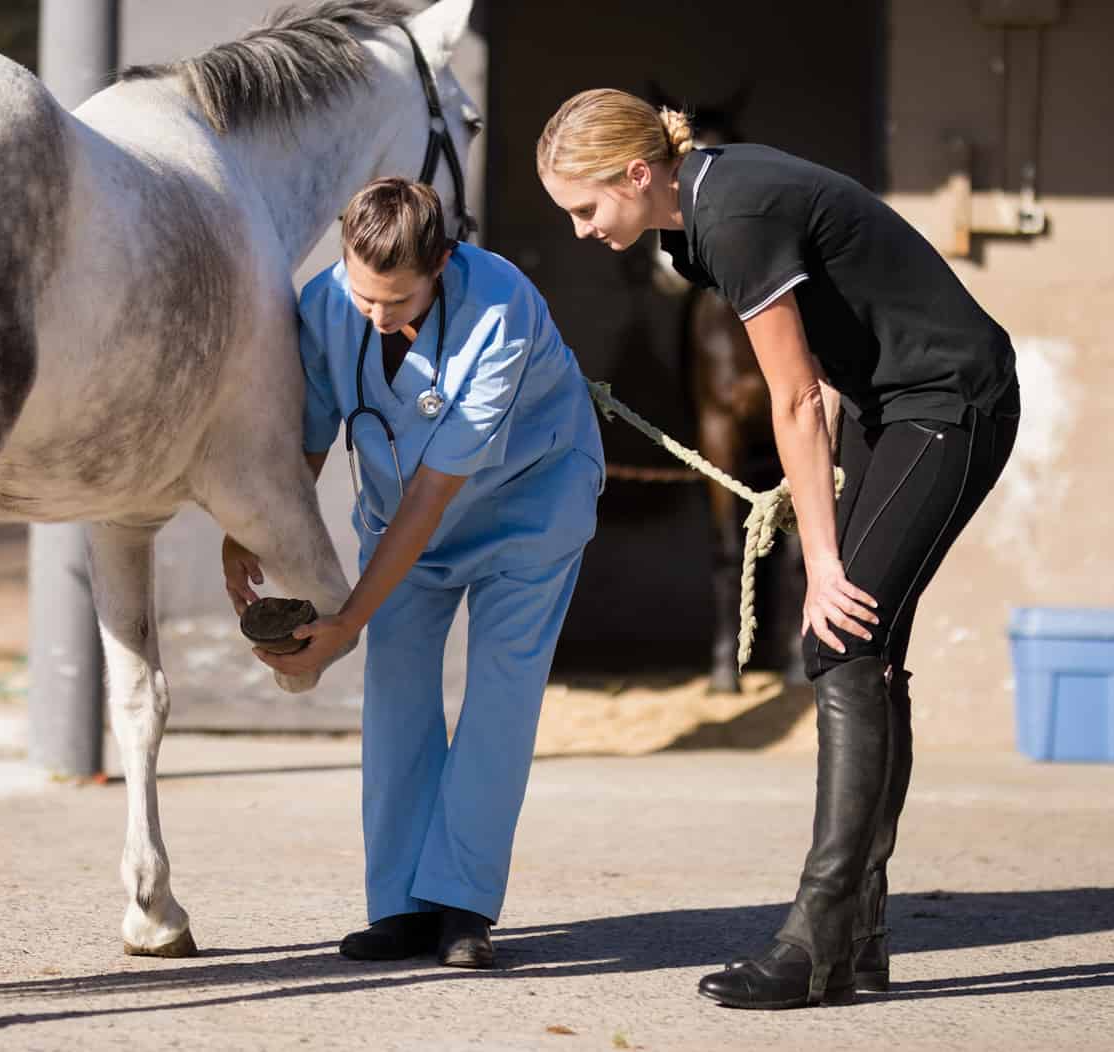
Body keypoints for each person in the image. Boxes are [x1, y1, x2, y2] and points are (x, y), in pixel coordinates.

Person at [536, 89, 1020, 1008]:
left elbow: (792, 399)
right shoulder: (695, 219)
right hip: (887, 402)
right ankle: (858, 940)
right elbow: (829, 360)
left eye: (586, 208)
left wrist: (822, 564)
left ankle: (815, 939)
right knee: (866, 652)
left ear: (638, 175)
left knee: (840, 639)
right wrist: (831, 516)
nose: (581, 231)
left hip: (951, 401)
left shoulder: (734, 211)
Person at [222, 178, 604, 969]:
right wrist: (246, 529)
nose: (376, 316)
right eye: (365, 297)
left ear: (443, 261)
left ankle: (461, 905)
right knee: (396, 691)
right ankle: (397, 907)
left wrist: (345, 627)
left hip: (528, 510)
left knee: (500, 697)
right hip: (404, 519)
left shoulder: (500, 309)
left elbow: (434, 493)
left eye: (396, 304)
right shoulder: (329, 302)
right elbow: (314, 434)